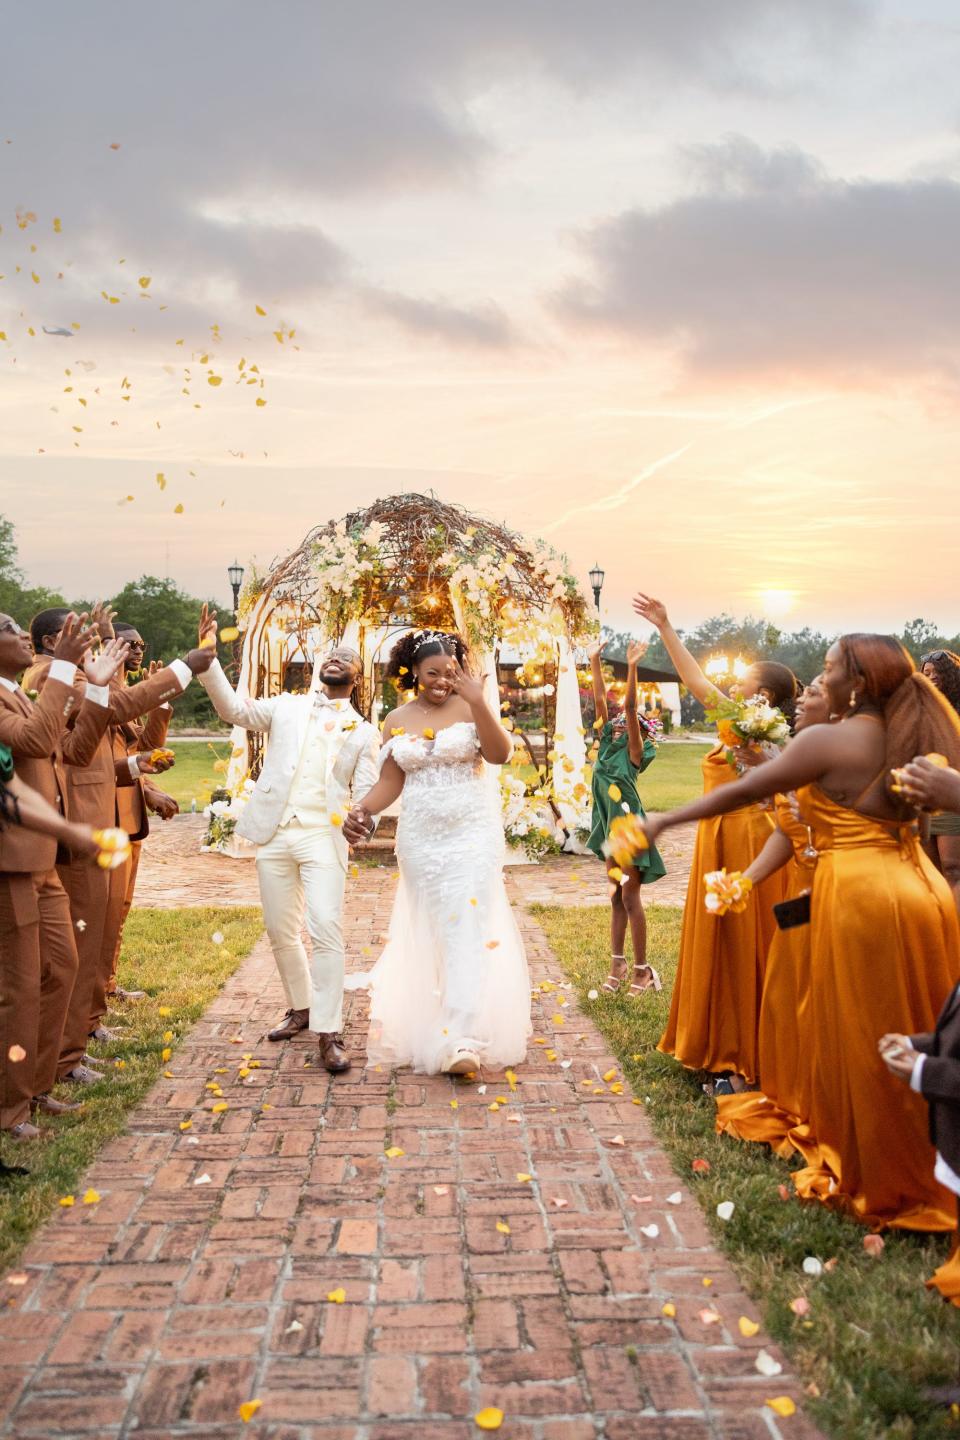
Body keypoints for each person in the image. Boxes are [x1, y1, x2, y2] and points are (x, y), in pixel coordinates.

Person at [641, 633, 960, 1232]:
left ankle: (881, 1178)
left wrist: (665, 818)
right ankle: (935, 1163)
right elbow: (933, 828)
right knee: (920, 1030)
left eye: (832, 668)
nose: (822, 674)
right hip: (921, 892)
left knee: (863, 1038)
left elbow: (743, 792)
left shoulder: (831, 740)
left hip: (861, 895)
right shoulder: (916, 734)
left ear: (858, 683)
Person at [23, 605, 213, 1086]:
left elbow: (100, 743)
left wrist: (135, 770)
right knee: (79, 947)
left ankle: (78, 1040)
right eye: (81, 631)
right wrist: (186, 666)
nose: (92, 640)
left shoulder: (82, 676)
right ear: (51, 642)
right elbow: (115, 714)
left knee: (99, 939)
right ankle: (63, 1056)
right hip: (78, 826)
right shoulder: (49, 674)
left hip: (105, 817)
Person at [194, 606, 380, 1074]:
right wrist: (209, 661)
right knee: (280, 929)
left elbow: (368, 795)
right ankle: (301, 1007)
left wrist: (365, 822)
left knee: (325, 928)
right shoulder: (286, 707)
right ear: (319, 669)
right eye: (330, 654)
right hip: (276, 833)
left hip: (324, 835)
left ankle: (329, 1031)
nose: (336, 658)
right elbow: (233, 710)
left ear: (357, 676)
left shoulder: (363, 731)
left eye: (346, 656)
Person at [632, 591, 799, 1094]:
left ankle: (740, 1053)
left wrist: (666, 627)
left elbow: (695, 681)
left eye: (742, 682)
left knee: (742, 943)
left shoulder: (750, 728)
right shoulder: (753, 729)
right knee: (724, 941)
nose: (730, 685)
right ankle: (722, 1044)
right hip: (720, 837)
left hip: (745, 841)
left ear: (762, 697)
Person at [343, 629, 530, 1076]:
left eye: (450, 672)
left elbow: (500, 754)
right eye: (433, 673)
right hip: (422, 840)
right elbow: (391, 782)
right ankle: (436, 1017)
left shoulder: (471, 706)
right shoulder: (396, 719)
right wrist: (361, 810)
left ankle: (460, 1037)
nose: (443, 680)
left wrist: (481, 702)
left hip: (471, 835)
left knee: (466, 926)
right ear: (412, 673)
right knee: (433, 931)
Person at [0, 611, 129, 1138]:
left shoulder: (18, 691)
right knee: (20, 985)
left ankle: (41, 1081)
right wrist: (66, 669)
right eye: (8, 628)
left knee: (60, 966)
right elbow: (32, 743)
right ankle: (11, 1108)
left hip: (44, 855)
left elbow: (68, 750)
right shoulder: (30, 688)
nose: (19, 636)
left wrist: (94, 688)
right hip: (11, 861)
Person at [713, 674, 831, 1155]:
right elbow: (786, 829)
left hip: (838, 893)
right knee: (785, 997)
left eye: (817, 689)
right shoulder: (802, 751)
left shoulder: (848, 756)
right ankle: (789, 1093)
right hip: (799, 894)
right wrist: (745, 880)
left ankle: (827, 1104)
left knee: (820, 1001)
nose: (803, 697)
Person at [98, 623, 180, 1014]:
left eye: (141, 645)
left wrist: (160, 705)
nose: (138, 650)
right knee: (103, 910)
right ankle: (94, 994)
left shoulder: (125, 697)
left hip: (130, 819)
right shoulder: (106, 695)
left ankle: (107, 984)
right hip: (103, 816)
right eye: (130, 645)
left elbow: (144, 748)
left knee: (121, 907)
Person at [585, 638, 666, 996]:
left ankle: (642, 971)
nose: (619, 724)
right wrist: (594, 661)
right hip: (607, 828)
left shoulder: (634, 753)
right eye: (616, 724)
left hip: (628, 829)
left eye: (627, 725)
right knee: (615, 898)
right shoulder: (605, 745)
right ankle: (617, 963)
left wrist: (632, 666)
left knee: (631, 898)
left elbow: (630, 707)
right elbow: (603, 701)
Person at [918, 650, 960, 893]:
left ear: (950, 675)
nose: (929, 676)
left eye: (935, 672)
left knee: (952, 868)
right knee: (929, 871)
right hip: (924, 797)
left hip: (952, 794)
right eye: (926, 673)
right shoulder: (920, 709)